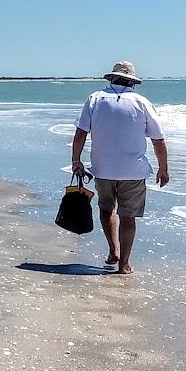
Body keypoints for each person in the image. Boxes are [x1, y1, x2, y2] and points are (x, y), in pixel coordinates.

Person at [70, 60, 169, 274]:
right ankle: (124, 264)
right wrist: (163, 168)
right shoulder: (141, 102)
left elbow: (81, 133)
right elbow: (158, 139)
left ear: (112, 78)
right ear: (132, 81)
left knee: (106, 209)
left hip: (102, 168)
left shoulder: (95, 98)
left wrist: (76, 161)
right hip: (133, 171)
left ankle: (113, 250)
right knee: (128, 216)